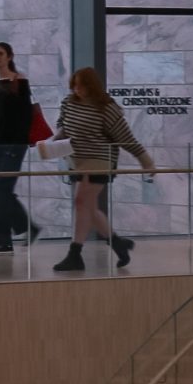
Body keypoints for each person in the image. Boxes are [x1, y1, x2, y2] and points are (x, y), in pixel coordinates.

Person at [53, 67, 155, 272]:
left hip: (100, 160)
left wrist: (145, 161)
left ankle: (75, 254)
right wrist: (54, 141)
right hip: (76, 161)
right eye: (74, 84)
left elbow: (125, 138)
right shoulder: (69, 102)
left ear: (92, 86)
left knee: (81, 202)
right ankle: (117, 243)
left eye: (81, 85)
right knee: (88, 208)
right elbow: (62, 125)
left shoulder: (106, 108)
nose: (77, 89)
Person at [0, 42, 42, 255]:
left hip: (13, 144)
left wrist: (18, 143)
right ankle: (1, 240)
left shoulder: (19, 81)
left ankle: (14, 235)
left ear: (10, 56)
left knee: (2, 189)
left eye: (0, 53)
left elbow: (24, 116)